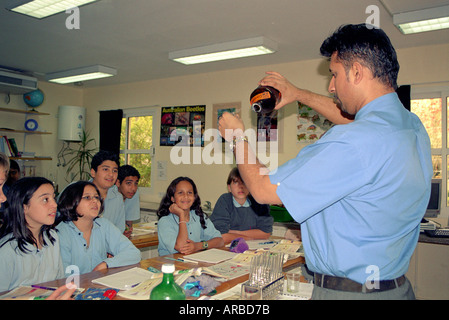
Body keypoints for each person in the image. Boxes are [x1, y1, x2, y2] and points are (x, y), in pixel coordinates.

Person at [218, 23, 432, 300]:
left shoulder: (352, 142)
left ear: (357, 71)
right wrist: (297, 94)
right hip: (395, 289)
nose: (331, 86)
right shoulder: (411, 125)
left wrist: (237, 138)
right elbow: (355, 119)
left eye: (334, 75)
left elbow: (262, 189)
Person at [56, 181, 141, 275]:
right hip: (72, 287)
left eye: (96, 197)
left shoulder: (103, 225)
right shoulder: (61, 233)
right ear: (71, 201)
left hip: (98, 285)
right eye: (87, 197)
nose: (95, 201)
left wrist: (106, 264)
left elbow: (134, 253)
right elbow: (62, 276)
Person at [0, 176, 64, 292]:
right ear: (24, 207)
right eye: (45, 199)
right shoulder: (7, 249)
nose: (54, 205)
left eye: (53, 198)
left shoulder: (52, 237)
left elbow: (58, 281)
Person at [157, 176, 224, 256]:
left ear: (194, 197)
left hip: (194, 263)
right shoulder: (165, 221)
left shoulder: (199, 216)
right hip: (171, 265)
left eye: (189, 193)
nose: (186, 196)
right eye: (180, 193)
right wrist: (182, 216)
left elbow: (220, 241)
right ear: (173, 198)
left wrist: (198, 246)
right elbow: (182, 248)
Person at [210, 167, 273, 244]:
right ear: (229, 188)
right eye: (236, 182)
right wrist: (249, 238)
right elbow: (221, 235)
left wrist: (233, 232)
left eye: (244, 182)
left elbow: (266, 233)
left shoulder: (259, 201)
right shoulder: (225, 200)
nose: (241, 187)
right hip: (228, 247)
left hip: (254, 248)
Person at [89, 150, 128, 235]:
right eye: (105, 169)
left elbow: (119, 230)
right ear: (93, 172)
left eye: (114, 171)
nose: (111, 174)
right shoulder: (78, 192)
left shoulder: (117, 198)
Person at [116, 164, 141, 237]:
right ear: (118, 183)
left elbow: (129, 221)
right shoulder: (110, 195)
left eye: (136, 183)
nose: (133, 188)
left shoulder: (134, 194)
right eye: (128, 183)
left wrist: (128, 230)